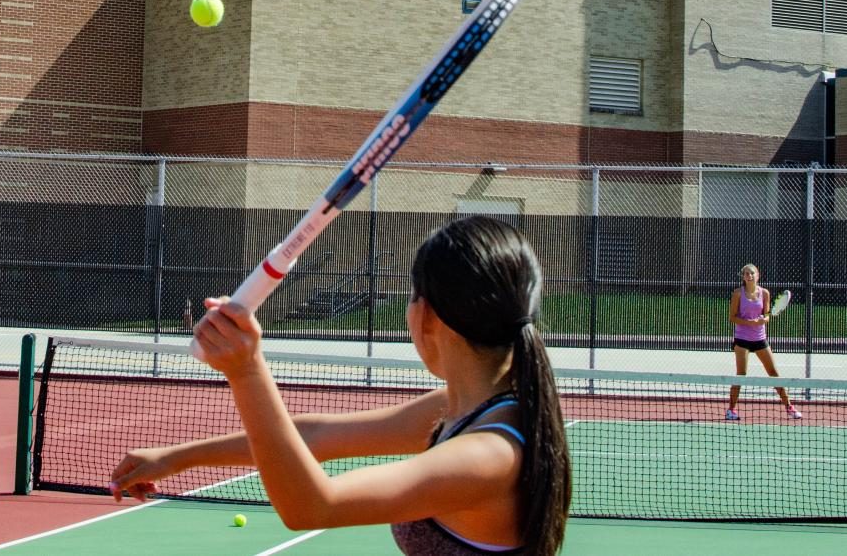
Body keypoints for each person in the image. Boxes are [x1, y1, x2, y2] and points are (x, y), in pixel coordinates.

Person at [111, 215, 573, 556]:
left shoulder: (489, 455)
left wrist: (247, 371)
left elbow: (313, 506)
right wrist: (177, 457)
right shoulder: (465, 408)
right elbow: (314, 437)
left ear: (427, 314)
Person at [726, 263, 800, 421]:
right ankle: (731, 410)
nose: (749, 276)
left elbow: (766, 315)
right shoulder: (738, 294)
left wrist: (763, 320)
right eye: (746, 273)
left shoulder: (764, 293)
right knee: (741, 375)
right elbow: (732, 317)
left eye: (752, 273)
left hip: (760, 338)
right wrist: (749, 323)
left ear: (757, 275)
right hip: (742, 339)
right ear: (743, 277)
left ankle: (789, 407)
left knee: (774, 374)